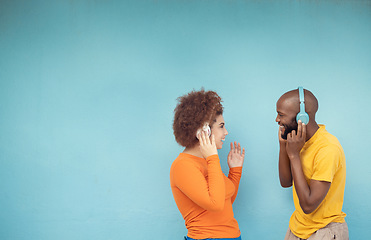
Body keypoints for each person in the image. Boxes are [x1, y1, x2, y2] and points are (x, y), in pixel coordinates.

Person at [170, 89, 245, 240]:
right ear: (204, 130)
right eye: (221, 126)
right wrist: (212, 157)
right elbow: (215, 204)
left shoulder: (207, 162)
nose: (226, 132)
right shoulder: (182, 166)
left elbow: (226, 202)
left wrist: (235, 171)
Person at [276, 87, 348, 240]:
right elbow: (286, 182)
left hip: (324, 231)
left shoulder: (328, 148)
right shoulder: (298, 141)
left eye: (281, 115)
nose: (277, 119)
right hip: (298, 228)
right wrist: (283, 146)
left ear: (302, 118)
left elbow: (308, 205)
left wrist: (294, 155)